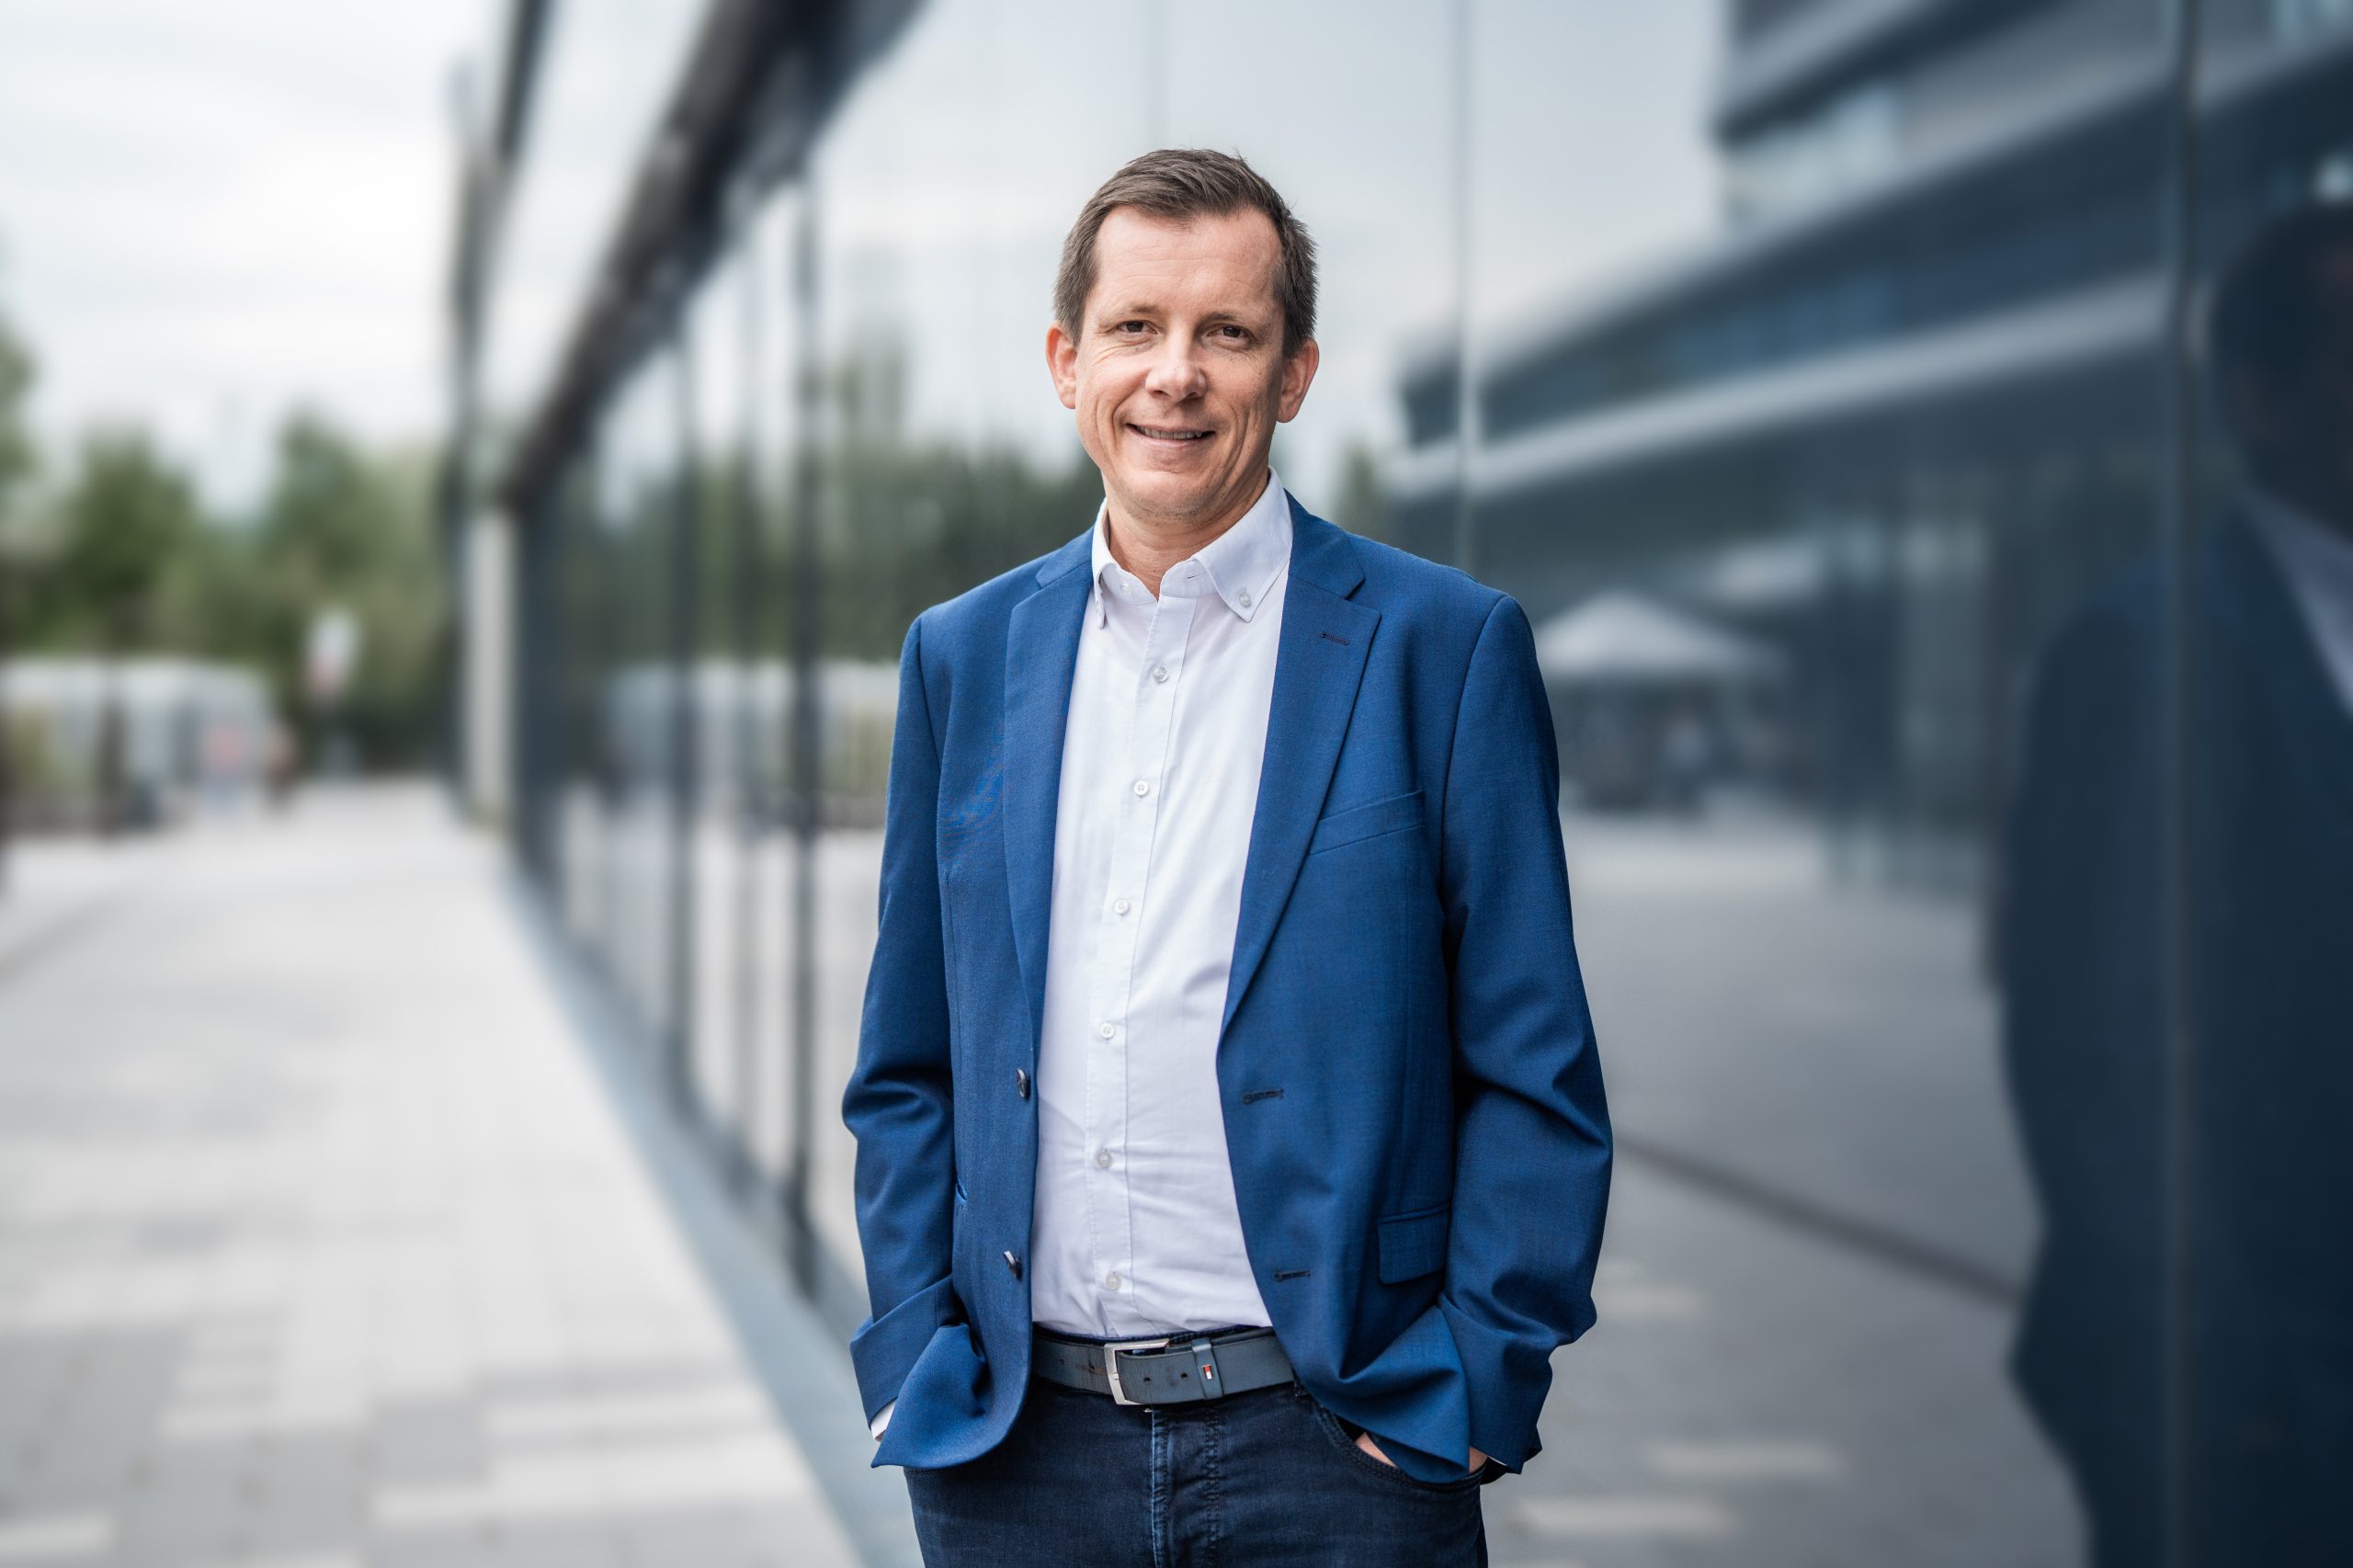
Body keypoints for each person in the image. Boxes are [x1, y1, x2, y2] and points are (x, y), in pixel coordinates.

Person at [840, 149, 1612, 1565]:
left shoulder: (1441, 650)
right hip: (1020, 1462)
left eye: (1229, 332)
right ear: (1069, 362)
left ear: (1295, 372)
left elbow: (1533, 1069)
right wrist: (912, 1352)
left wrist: (1476, 1381)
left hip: (1338, 1457)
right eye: (1135, 326)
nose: (1175, 374)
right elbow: (909, 1062)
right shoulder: (961, 659)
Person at [2003, 199, 2353, 1566]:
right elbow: (2095, 1050)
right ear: (2261, 398)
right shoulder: (2150, 649)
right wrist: (2225, 1387)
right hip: (2257, 1415)